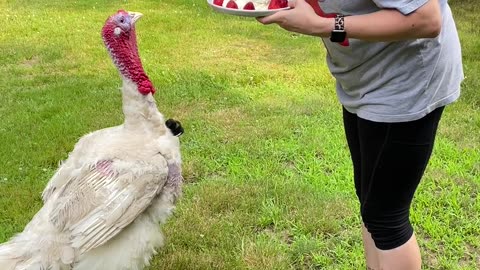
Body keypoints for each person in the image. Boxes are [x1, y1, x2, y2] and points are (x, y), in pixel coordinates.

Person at [257, 0, 463, 269]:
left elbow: (426, 19)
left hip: (404, 80)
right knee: (371, 205)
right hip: (364, 75)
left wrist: (323, 25)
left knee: (385, 216)